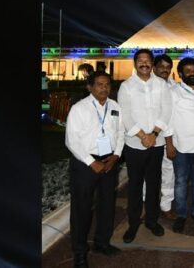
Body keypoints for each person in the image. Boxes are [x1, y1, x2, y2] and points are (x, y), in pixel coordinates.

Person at [65, 71, 125, 267]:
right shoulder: (79, 108)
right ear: (89, 87)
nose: (104, 88)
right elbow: (71, 140)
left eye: (107, 84)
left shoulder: (115, 106)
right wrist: (92, 162)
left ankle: (102, 243)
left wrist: (116, 156)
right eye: (99, 84)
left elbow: (121, 133)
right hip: (85, 164)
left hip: (109, 161)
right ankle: (80, 252)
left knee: (107, 205)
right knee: (81, 209)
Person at [117, 50, 173, 244]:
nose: (144, 64)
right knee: (134, 185)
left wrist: (154, 135)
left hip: (156, 143)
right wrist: (143, 136)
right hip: (134, 144)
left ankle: (151, 220)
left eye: (147, 61)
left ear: (152, 64)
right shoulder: (127, 86)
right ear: (135, 63)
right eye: (140, 61)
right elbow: (125, 115)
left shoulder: (161, 85)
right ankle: (133, 223)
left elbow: (166, 110)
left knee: (154, 183)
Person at [163, 57, 194, 233]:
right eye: (188, 71)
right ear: (181, 73)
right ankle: (181, 214)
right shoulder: (173, 92)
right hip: (181, 145)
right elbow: (167, 121)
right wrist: (169, 144)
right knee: (181, 181)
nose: (192, 73)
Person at [152, 54, 178, 221]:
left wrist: (170, 142)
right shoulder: (148, 86)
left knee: (169, 173)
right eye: (161, 66)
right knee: (149, 174)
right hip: (151, 137)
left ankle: (166, 206)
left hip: (171, 137)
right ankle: (147, 204)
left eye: (168, 67)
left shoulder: (174, 86)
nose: (165, 70)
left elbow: (173, 114)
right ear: (154, 68)